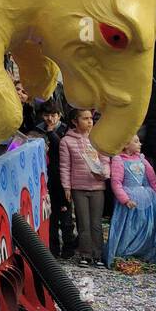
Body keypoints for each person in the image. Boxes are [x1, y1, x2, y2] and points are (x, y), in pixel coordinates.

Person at [16, 100, 76, 257]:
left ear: (59, 115)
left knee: (66, 215)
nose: (50, 118)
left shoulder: (66, 130)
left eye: (53, 115)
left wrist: (51, 132)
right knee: (51, 215)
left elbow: (60, 148)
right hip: (44, 177)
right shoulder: (36, 130)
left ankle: (69, 248)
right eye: (47, 115)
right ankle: (53, 249)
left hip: (62, 176)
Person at [105, 133, 156, 268]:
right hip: (129, 201)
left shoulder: (142, 160)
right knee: (129, 228)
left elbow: (153, 181)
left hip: (147, 200)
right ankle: (124, 253)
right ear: (126, 145)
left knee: (146, 226)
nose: (140, 144)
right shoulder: (118, 160)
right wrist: (125, 199)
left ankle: (144, 253)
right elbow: (116, 183)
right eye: (136, 141)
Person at [60, 107, 110, 266]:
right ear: (75, 121)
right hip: (79, 187)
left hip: (97, 186)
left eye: (91, 118)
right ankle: (85, 254)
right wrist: (67, 187)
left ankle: (98, 254)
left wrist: (104, 173)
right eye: (85, 118)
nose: (89, 122)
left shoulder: (98, 138)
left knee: (96, 222)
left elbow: (105, 160)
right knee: (83, 221)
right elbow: (65, 166)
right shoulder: (66, 141)